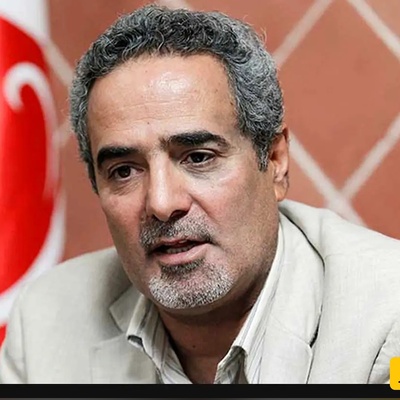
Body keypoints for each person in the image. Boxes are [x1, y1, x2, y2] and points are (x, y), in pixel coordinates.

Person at [1, 3, 400, 385]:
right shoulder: (44, 322)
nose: (161, 203)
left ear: (275, 161)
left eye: (198, 158)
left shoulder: (387, 317)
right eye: (124, 171)